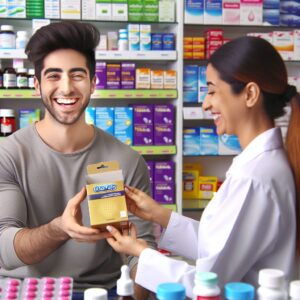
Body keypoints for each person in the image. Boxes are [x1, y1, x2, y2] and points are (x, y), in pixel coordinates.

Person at [105, 36, 300, 298]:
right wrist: (159, 215)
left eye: (211, 91)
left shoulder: (254, 177)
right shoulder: (261, 164)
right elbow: (221, 244)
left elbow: (207, 284)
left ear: (250, 94)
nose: (206, 104)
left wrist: (140, 251)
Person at [0, 21, 155, 299]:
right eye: (53, 76)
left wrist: (141, 277)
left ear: (93, 83)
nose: (67, 87)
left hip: (99, 291)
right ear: (36, 85)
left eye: (77, 75)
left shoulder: (125, 160)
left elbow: (141, 255)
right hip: (20, 291)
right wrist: (60, 229)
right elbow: (4, 250)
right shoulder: (8, 155)